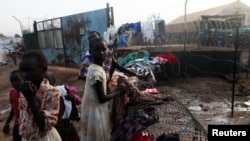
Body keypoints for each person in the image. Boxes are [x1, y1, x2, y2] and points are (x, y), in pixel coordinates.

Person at [80, 37, 126, 141]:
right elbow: (102, 98)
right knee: (98, 135)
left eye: (103, 50)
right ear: (91, 51)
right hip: (96, 109)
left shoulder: (93, 67)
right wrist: (118, 91)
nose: (101, 53)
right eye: (97, 50)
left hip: (90, 107)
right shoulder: (97, 72)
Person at [18, 50, 61, 141]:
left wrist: (31, 99)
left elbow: (43, 126)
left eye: (30, 70)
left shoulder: (52, 93)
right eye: (22, 71)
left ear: (43, 69)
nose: (24, 75)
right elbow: (23, 115)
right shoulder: (25, 89)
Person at [44, 71, 80, 141]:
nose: (46, 83)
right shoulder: (42, 95)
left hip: (65, 125)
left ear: (53, 80)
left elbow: (77, 100)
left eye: (48, 80)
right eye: (44, 81)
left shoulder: (62, 91)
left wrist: (72, 98)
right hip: (53, 127)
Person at [2, 70, 23, 141]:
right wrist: (7, 123)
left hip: (28, 126)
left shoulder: (29, 93)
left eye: (17, 80)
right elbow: (13, 109)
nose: (15, 83)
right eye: (12, 82)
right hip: (18, 124)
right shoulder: (13, 93)